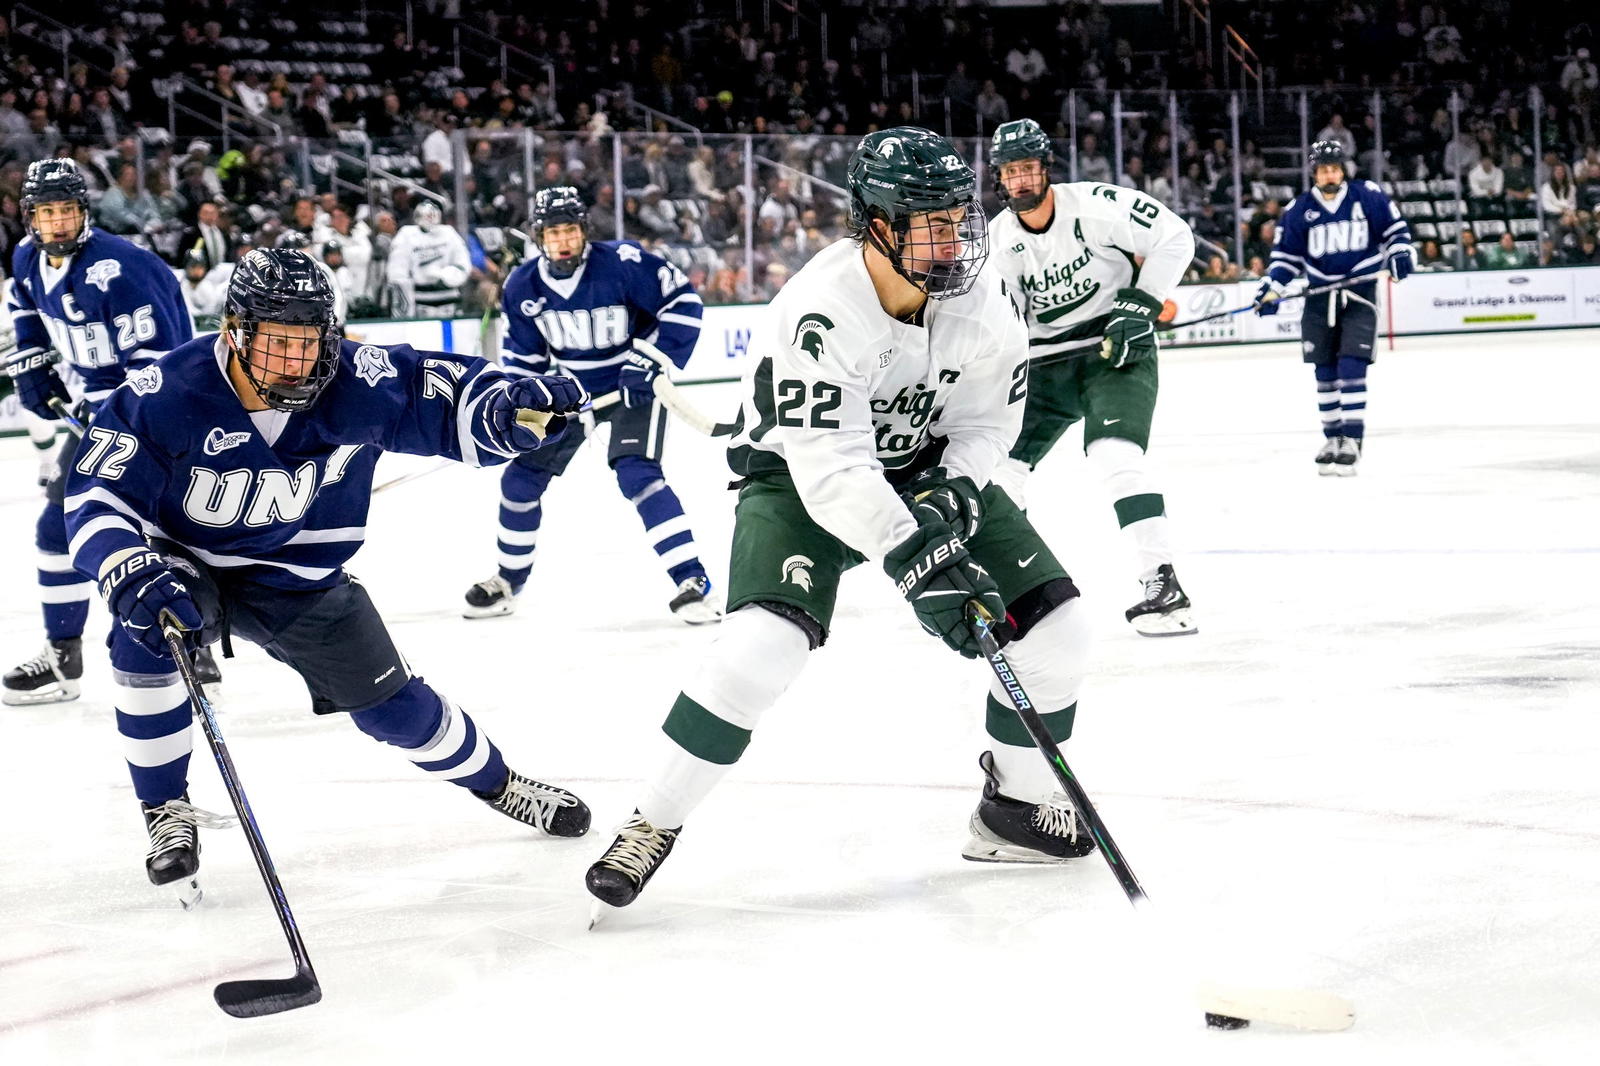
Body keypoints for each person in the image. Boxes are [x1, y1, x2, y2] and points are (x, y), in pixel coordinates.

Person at [585, 127, 1098, 915]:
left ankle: (1017, 808)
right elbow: (833, 471)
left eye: (958, 217)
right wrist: (914, 555)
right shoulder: (820, 308)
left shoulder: (985, 301)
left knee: (1059, 632)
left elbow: (988, 424)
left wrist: (954, 493)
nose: (954, 239)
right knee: (759, 650)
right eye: (930, 222)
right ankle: (651, 821)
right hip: (797, 477)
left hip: (924, 465)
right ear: (877, 225)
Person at [61, 248, 593, 898]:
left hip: (299, 579)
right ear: (235, 331)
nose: (296, 361)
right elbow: (94, 498)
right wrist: (125, 565)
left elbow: (444, 394)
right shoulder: (165, 392)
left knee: (396, 712)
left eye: (308, 341)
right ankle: (165, 809)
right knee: (147, 631)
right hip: (187, 563)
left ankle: (500, 783)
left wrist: (506, 410)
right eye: (278, 342)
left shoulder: (354, 379)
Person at [3, 159, 216, 706]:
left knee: (167, 534)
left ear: (84, 212)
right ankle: (62, 657)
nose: (57, 222)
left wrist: (115, 418)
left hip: (165, 416)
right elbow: (23, 304)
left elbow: (162, 365)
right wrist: (32, 361)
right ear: (30, 217)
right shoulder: (26, 257)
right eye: (46, 212)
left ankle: (195, 646)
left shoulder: (123, 270)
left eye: (66, 210)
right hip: (100, 414)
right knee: (58, 529)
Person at [461, 186, 719, 625]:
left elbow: (684, 303)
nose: (563, 240)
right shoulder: (522, 285)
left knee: (637, 474)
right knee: (520, 479)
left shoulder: (623, 263)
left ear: (583, 231)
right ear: (539, 237)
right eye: (552, 232)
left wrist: (651, 360)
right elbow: (525, 361)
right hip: (571, 392)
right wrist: (522, 407)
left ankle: (692, 581)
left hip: (633, 385)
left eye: (570, 230)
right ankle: (508, 581)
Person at [984, 118, 1199, 637]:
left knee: (1114, 453)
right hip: (1046, 364)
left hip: (1115, 347)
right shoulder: (997, 241)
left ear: (1046, 168)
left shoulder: (1095, 205)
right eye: (1010, 172)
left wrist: (1140, 304)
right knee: (997, 470)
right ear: (999, 178)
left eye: (1027, 168)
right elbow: (1003, 320)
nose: (1020, 180)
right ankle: (1017, 589)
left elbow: (1174, 236)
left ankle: (1163, 581)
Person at [1254, 140, 1413, 476]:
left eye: (1335, 169)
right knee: (1324, 371)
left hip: (1359, 293)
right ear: (1314, 173)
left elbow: (1395, 232)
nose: (1330, 175)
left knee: (1352, 365)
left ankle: (1352, 440)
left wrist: (1400, 253)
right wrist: (1272, 289)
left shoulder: (1366, 196)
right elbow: (1286, 258)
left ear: (1343, 171)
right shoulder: (1299, 209)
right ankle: (1332, 439)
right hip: (1319, 296)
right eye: (1324, 170)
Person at [384, 201, 471, 317]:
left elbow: (463, 264)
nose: (430, 219)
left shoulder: (449, 233)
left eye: (432, 216)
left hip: (449, 297)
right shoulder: (406, 235)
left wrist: (447, 276)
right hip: (420, 299)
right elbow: (397, 271)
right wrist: (405, 299)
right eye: (427, 216)